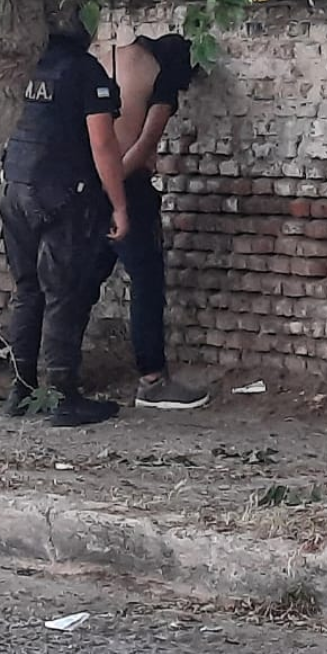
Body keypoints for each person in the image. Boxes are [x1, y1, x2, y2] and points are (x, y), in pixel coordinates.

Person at [0, 9, 131, 427]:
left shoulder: (26, 67)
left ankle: (20, 389)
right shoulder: (84, 71)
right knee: (63, 293)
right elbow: (103, 144)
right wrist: (120, 205)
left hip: (16, 188)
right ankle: (61, 396)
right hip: (63, 194)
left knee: (27, 290)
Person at [95, 32, 211, 410]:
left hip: (80, 183)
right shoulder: (163, 69)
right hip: (126, 186)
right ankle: (153, 379)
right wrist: (115, 187)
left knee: (74, 280)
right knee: (145, 281)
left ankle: (52, 373)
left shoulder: (99, 56)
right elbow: (146, 140)